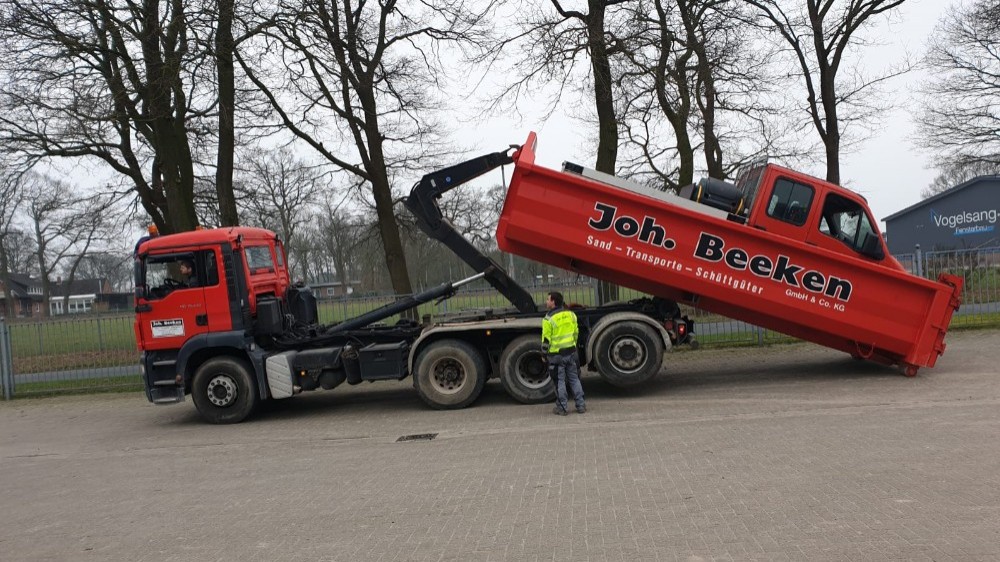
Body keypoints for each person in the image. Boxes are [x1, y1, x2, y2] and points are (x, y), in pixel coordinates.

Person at [542, 291, 585, 415]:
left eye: (548, 299)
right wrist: (573, 346)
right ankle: (581, 405)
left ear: (553, 302)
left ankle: (562, 408)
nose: (546, 301)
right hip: (571, 353)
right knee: (574, 379)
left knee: (559, 382)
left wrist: (544, 355)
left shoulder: (548, 319)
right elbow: (576, 333)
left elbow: (546, 340)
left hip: (556, 356)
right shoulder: (571, 315)